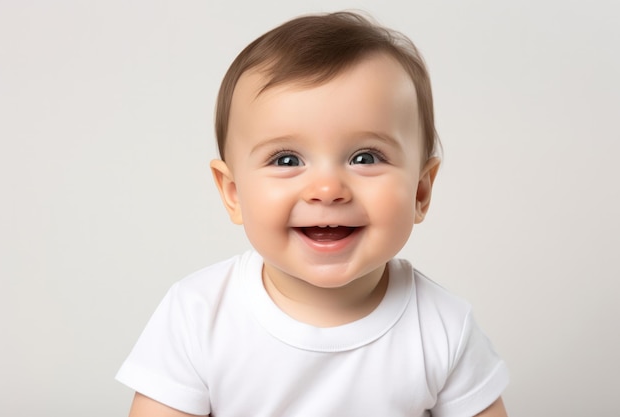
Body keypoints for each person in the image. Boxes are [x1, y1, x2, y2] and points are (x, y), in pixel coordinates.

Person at [116, 11, 509, 417]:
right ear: (233, 193)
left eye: (365, 157)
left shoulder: (444, 326)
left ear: (420, 192)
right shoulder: (198, 315)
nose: (327, 190)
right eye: (286, 159)